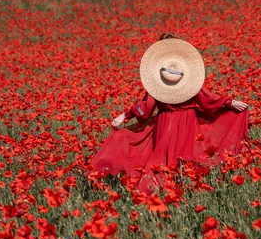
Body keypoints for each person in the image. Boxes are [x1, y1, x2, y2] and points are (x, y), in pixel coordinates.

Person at [87, 33, 250, 194]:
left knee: (163, 160)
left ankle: (157, 191)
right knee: (183, 158)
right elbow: (207, 100)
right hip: (188, 120)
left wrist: (125, 115)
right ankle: (182, 191)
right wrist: (230, 103)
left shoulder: (157, 81)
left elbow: (146, 108)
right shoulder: (190, 79)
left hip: (165, 122)